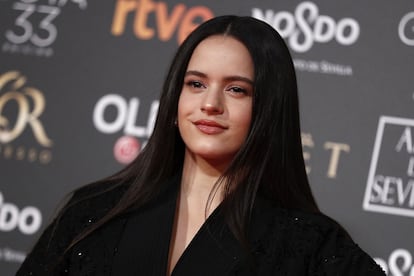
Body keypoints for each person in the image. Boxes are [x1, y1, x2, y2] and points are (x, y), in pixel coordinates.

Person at [17, 15, 385, 275]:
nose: (210, 103)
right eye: (195, 84)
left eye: (236, 89)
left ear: (269, 110)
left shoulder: (311, 245)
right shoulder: (92, 212)